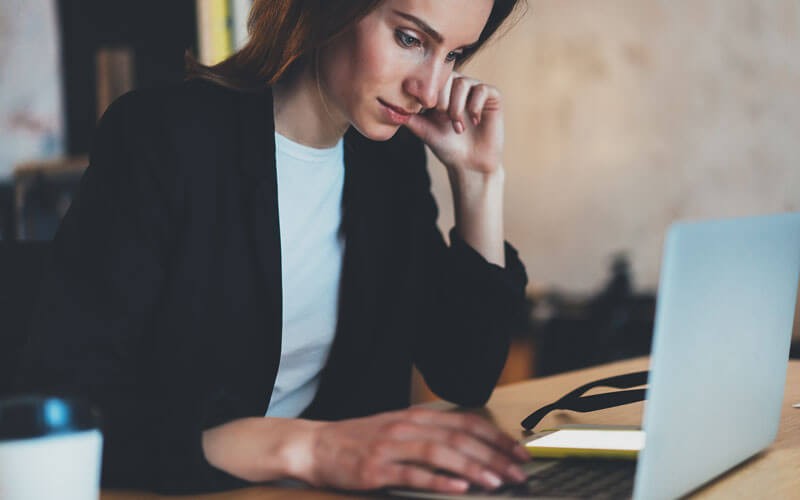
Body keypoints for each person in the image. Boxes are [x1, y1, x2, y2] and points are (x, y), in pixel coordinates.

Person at [15, 0, 530, 494]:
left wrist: (478, 180)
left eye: (455, 56)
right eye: (410, 38)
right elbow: (69, 406)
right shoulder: (164, 137)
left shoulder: (388, 166)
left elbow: (465, 373)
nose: (432, 89)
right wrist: (309, 449)